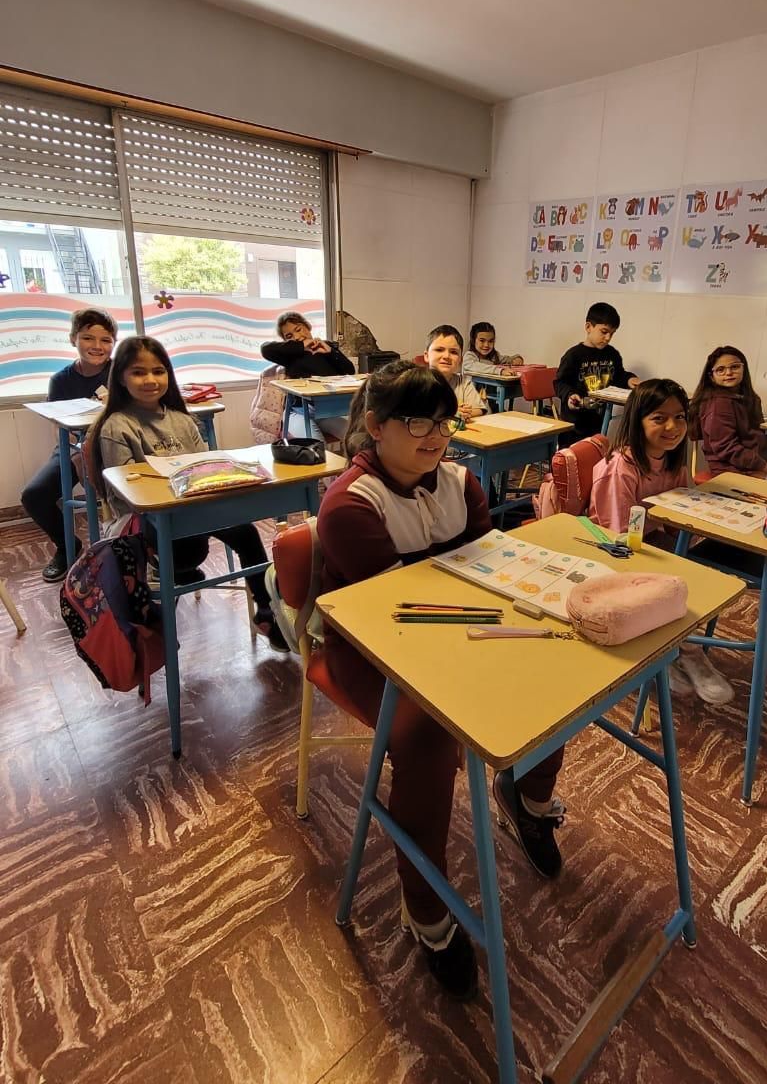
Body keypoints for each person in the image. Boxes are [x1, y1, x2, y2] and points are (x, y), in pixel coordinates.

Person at [320, 362, 566, 1000]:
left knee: (554, 673)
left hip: (458, 629)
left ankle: (529, 800)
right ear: (376, 427)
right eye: (416, 422)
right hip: (370, 648)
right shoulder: (350, 504)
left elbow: (487, 563)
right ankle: (426, 907)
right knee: (427, 738)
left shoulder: (461, 480)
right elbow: (389, 612)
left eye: (443, 421)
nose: (435, 435)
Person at [88, 336, 287, 650]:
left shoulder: (182, 419)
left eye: (158, 371)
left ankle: (267, 611)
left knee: (246, 533)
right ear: (121, 378)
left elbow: (204, 468)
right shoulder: (117, 426)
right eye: (138, 372)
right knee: (182, 551)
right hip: (147, 523)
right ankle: (177, 577)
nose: (150, 380)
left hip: (191, 512)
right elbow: (126, 493)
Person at [589, 378, 733, 705]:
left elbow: (682, 510)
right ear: (637, 421)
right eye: (659, 418)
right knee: (678, 581)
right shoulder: (620, 468)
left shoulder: (672, 459)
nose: (673, 427)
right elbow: (618, 536)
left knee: (702, 573)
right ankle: (673, 652)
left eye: (679, 417)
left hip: (653, 540)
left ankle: (679, 646)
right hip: (616, 549)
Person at [21, 307, 117, 582]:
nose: (97, 346)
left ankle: (140, 551)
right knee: (34, 496)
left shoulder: (122, 371)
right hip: (73, 447)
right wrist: (79, 451)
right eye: (88, 338)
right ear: (73, 338)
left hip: (116, 446)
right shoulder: (61, 380)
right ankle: (67, 547)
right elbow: (59, 428)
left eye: (106, 340)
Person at [688, 346, 767, 486]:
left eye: (734, 367)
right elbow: (726, 448)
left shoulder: (751, 398)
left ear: (743, 369)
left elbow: (763, 436)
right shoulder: (718, 404)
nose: (729, 373)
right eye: (720, 370)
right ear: (712, 377)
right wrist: (765, 467)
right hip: (729, 469)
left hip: (753, 465)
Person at [261, 311, 356, 440]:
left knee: (356, 438)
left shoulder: (326, 347)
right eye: (289, 336)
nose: (296, 337)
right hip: (298, 412)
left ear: (307, 326)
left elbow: (350, 371)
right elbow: (265, 349)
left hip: (326, 412)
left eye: (298, 330)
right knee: (315, 446)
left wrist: (330, 351)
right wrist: (302, 345)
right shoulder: (290, 355)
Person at [555, 301, 640, 439]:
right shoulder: (573, 355)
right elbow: (560, 382)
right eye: (604, 332)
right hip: (574, 424)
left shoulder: (612, 354)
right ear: (588, 327)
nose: (608, 338)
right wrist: (570, 395)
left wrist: (629, 379)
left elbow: (618, 376)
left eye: (612, 334)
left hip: (599, 422)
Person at [424, 324, 486, 422]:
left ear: (460, 360)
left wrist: (465, 412)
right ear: (426, 356)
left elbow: (479, 409)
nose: (446, 356)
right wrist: (452, 412)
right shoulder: (418, 381)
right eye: (439, 350)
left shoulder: (463, 382)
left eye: (453, 352)